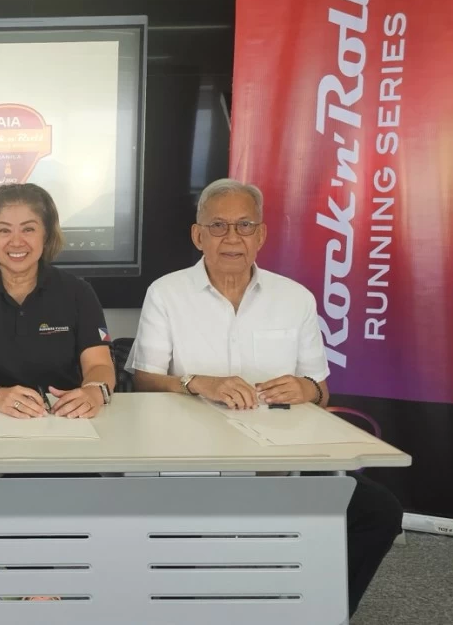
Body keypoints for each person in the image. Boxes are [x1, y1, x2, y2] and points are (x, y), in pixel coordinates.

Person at [127, 178, 403, 617]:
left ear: (262, 234)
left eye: (244, 225)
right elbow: (144, 381)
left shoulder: (295, 298)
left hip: (278, 460)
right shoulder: (166, 293)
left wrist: (305, 388)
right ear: (198, 235)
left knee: (378, 510)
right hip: (193, 458)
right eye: (217, 226)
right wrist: (198, 382)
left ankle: (320, 611)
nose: (232, 237)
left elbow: (319, 387)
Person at [0, 183, 115, 418]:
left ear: (46, 235)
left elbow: (99, 365)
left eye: (28, 229)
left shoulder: (78, 292)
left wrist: (94, 393)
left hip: (65, 418)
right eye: (4, 230)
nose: (16, 242)